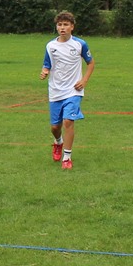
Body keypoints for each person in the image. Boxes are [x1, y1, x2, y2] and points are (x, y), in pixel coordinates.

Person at [39, 11, 95, 170]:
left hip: (73, 91)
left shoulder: (80, 44)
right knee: (55, 127)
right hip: (55, 91)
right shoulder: (50, 46)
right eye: (59, 25)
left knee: (68, 121)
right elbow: (47, 64)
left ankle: (67, 157)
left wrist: (84, 81)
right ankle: (58, 142)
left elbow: (91, 63)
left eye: (66, 24)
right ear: (56, 27)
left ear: (72, 27)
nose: (62, 27)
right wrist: (44, 71)